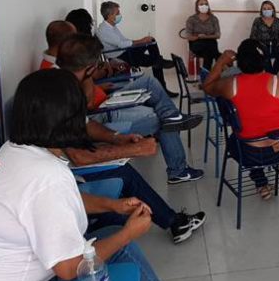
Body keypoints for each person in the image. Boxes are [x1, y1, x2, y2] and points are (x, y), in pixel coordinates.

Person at [0, 70, 213, 281]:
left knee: (116, 248)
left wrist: (113, 205)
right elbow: (70, 269)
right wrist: (129, 233)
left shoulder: (15, 150)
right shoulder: (46, 176)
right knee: (115, 272)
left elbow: (56, 202)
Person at [57, 34, 204, 185]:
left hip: (104, 100)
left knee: (149, 82)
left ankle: (172, 116)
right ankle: (178, 170)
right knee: (163, 121)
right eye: (96, 64)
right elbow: (88, 106)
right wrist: (89, 78)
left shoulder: (66, 74)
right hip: (103, 114)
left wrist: (98, 84)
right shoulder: (66, 88)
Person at [203, 39, 279, 200]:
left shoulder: (229, 84)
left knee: (240, 135)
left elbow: (207, 86)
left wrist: (221, 61)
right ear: (265, 60)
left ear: (239, 61)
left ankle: (261, 184)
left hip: (247, 154)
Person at [96, 1, 177, 97]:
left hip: (126, 51)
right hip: (121, 57)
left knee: (151, 41)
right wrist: (141, 40)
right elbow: (122, 44)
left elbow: (125, 41)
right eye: (117, 13)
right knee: (155, 59)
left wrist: (143, 41)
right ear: (110, 15)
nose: (120, 15)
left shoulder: (111, 27)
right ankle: (159, 65)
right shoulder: (104, 30)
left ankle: (158, 62)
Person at [250, 0, 279, 74]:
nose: (266, 10)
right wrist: (258, 46)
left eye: (269, 8)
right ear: (261, 10)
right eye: (264, 9)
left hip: (275, 46)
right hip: (262, 46)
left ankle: (273, 74)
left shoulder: (278, 21)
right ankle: (271, 75)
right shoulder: (257, 21)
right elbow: (253, 37)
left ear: (273, 10)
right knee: (265, 55)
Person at [185, 0, 221, 69]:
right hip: (197, 43)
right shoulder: (192, 19)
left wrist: (205, 36)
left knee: (208, 50)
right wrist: (198, 37)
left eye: (206, 4)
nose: (204, 6)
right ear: (197, 7)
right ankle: (211, 69)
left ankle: (206, 72)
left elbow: (218, 35)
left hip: (211, 43)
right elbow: (188, 36)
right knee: (212, 51)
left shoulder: (213, 19)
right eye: (201, 4)